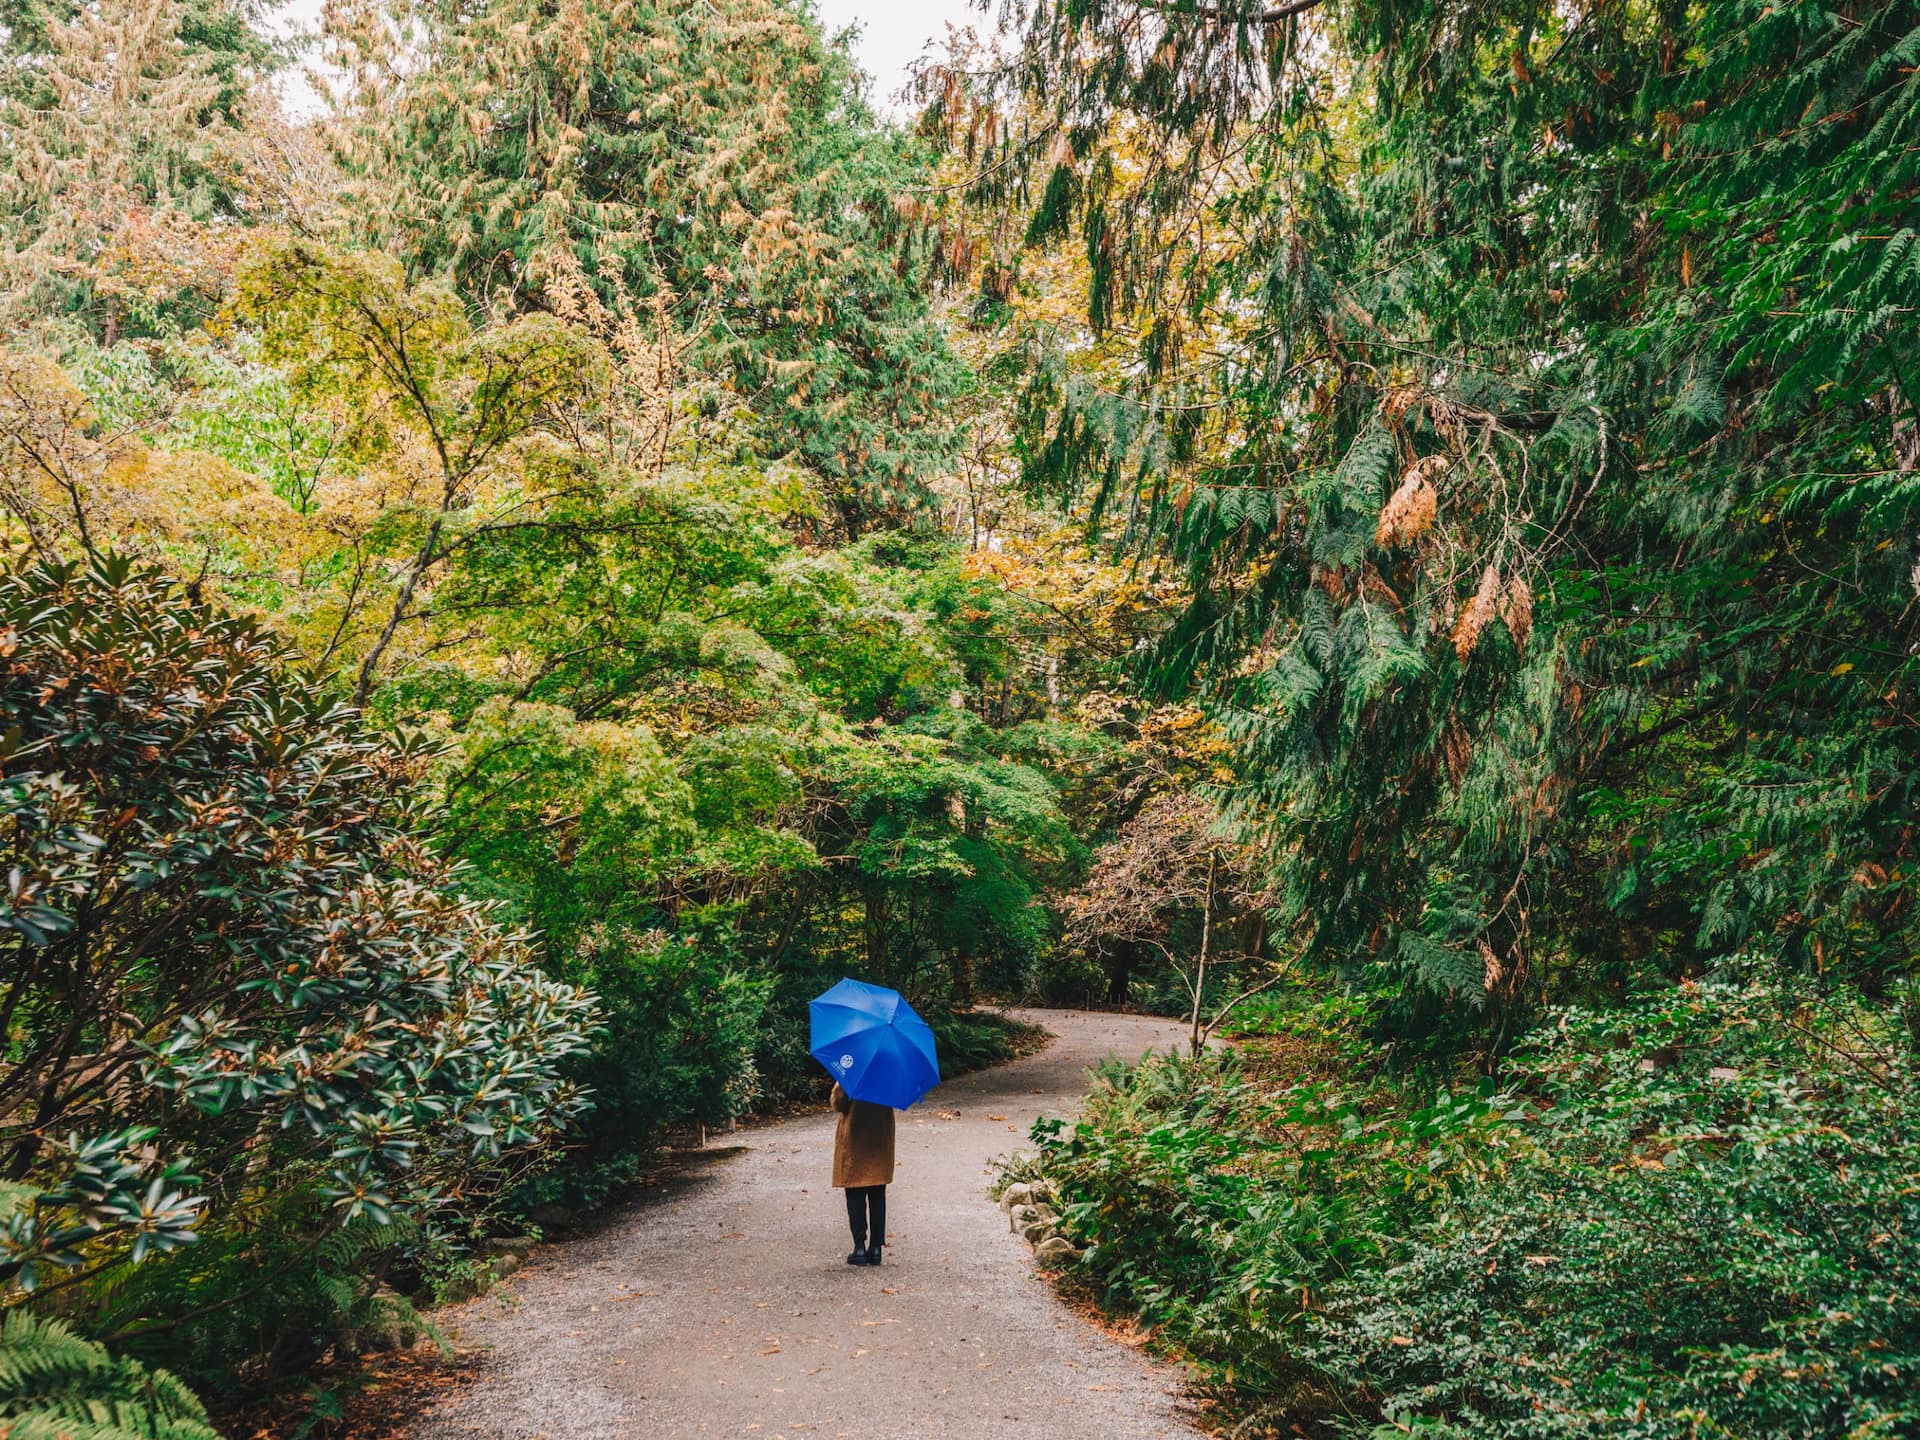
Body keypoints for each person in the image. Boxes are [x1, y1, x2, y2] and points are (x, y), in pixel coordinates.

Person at [830, 1081, 895, 1265]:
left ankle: (859, 1247)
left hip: (855, 1139)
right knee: (877, 1194)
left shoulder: (853, 1073)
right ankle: (875, 1249)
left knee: (855, 1192)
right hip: (879, 1138)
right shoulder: (888, 1074)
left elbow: (839, 1103)